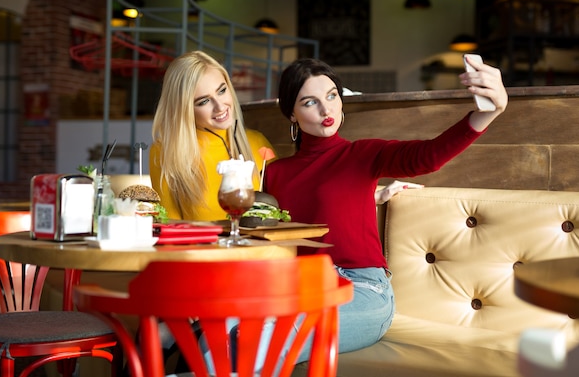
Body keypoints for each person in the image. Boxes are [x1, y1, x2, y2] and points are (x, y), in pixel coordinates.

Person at [263, 55, 508, 361]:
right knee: (232, 324)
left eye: (331, 96)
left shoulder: (362, 154)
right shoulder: (273, 173)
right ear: (291, 114)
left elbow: (427, 157)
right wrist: (371, 197)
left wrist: (488, 113)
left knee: (276, 333)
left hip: (364, 292)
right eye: (310, 102)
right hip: (303, 289)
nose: (326, 110)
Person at [150, 50, 275, 221]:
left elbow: (280, 214)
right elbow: (169, 225)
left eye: (222, 91)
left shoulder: (259, 143)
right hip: (198, 247)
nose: (220, 106)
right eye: (203, 101)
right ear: (184, 110)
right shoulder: (164, 152)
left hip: (259, 247)